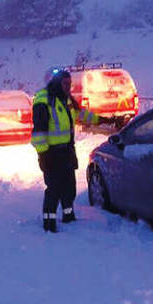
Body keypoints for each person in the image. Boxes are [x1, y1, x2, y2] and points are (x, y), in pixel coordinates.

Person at [31, 70, 109, 233]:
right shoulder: (44, 99)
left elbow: (81, 114)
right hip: (51, 153)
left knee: (69, 186)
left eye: (69, 83)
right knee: (54, 188)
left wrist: (104, 119)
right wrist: (43, 155)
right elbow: (39, 132)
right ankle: (49, 222)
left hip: (67, 151)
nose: (68, 86)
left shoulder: (66, 99)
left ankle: (68, 215)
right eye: (65, 83)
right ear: (57, 83)